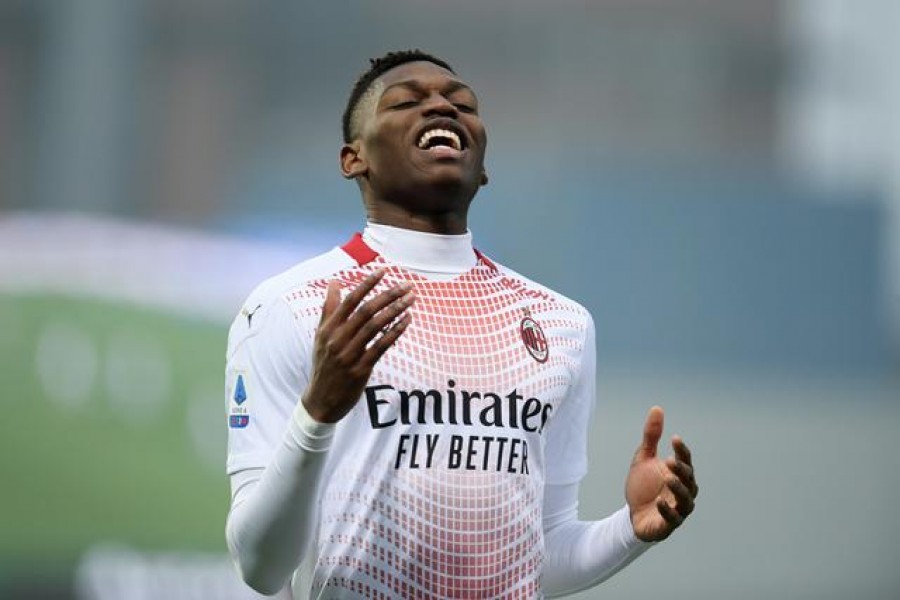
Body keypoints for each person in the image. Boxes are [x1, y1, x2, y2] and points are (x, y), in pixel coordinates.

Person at [224, 50, 698, 599]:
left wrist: (631, 529)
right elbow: (260, 566)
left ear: (483, 162)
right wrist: (318, 413)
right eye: (405, 102)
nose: (441, 108)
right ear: (353, 159)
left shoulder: (562, 324)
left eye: (461, 104)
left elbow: (542, 556)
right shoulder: (291, 307)